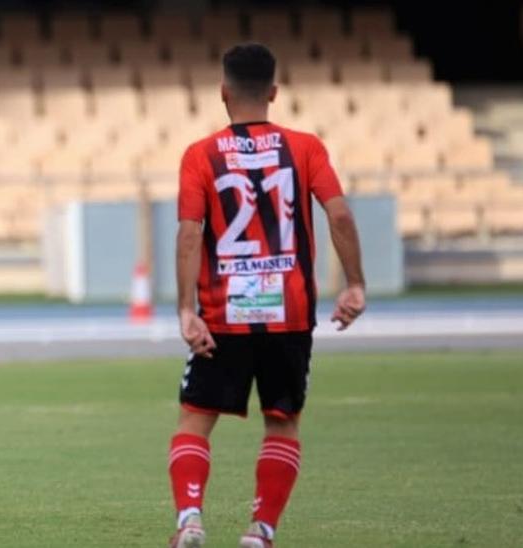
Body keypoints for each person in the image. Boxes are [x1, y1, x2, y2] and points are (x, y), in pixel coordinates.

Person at [167, 44, 366, 548]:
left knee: (196, 417)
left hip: (223, 311)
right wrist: (355, 283)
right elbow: (339, 215)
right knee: (282, 422)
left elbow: (190, 234)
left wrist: (187, 310)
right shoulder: (305, 148)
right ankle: (261, 532)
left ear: (222, 93)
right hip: (290, 311)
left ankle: (190, 519)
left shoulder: (201, 155)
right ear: (274, 92)